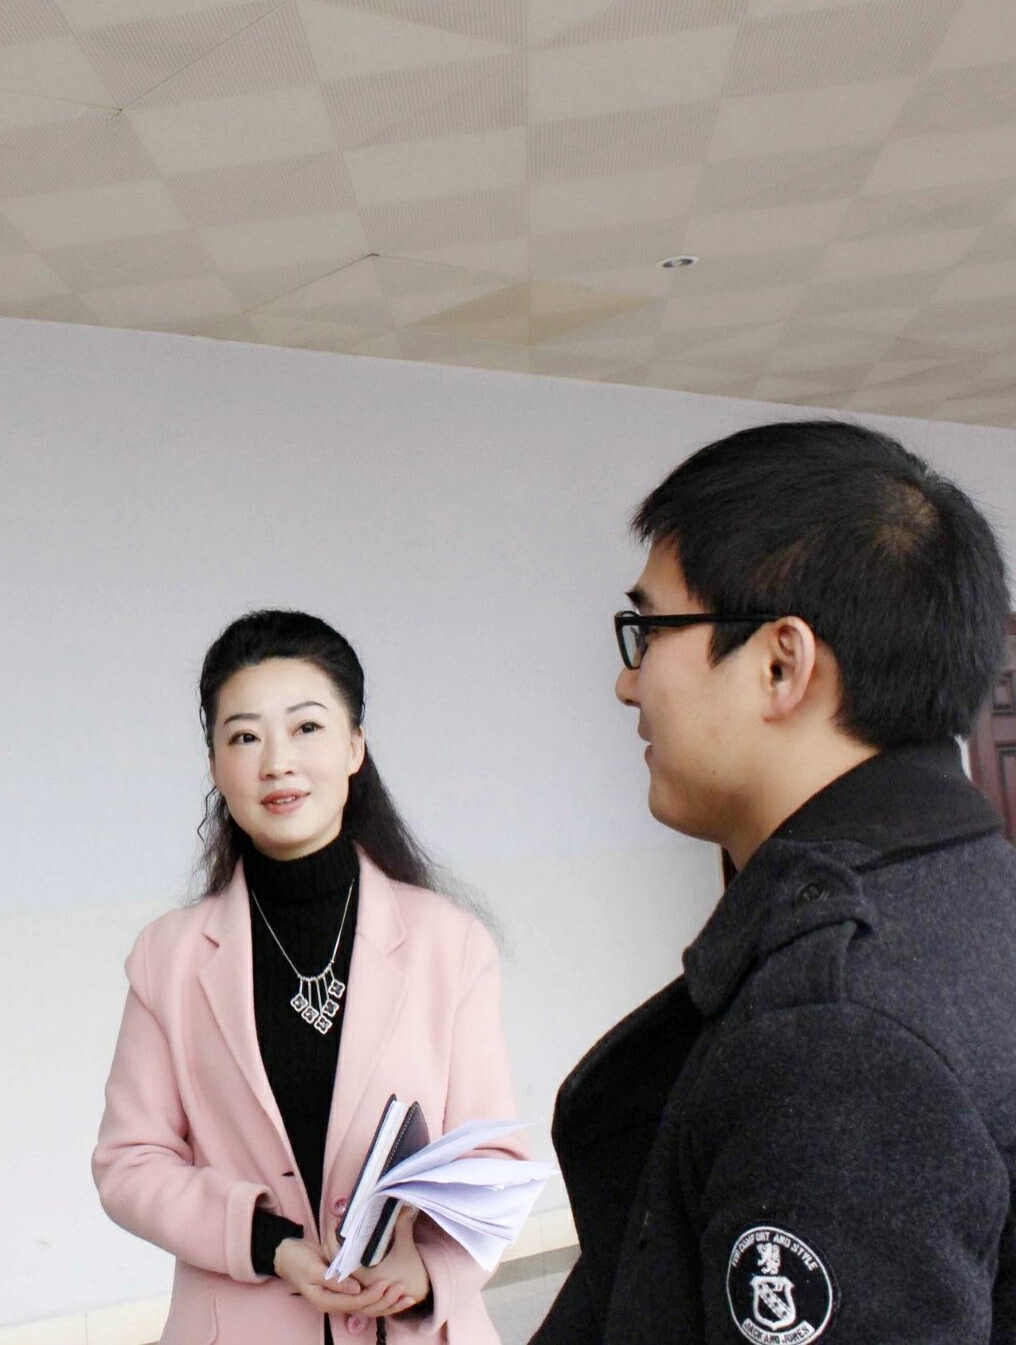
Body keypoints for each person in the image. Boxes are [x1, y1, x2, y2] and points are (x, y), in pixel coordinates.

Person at [534, 419, 1015, 1343]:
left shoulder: (837, 1035)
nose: (629, 685)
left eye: (650, 630)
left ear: (781, 663)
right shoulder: (969, 891)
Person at [95, 610, 523, 1343]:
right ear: (214, 763)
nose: (277, 762)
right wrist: (267, 1242)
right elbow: (129, 1162)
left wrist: (428, 1266)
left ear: (355, 746)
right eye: (244, 736)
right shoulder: (167, 957)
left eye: (307, 727)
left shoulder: (449, 942)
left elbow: (492, 1160)